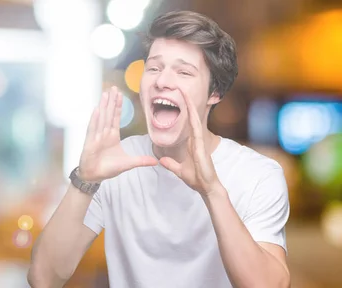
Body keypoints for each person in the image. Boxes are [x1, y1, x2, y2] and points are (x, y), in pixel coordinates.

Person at [28, 10, 291, 288]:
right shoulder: (116, 165)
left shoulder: (258, 175)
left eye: (183, 71)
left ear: (214, 93)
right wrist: (85, 179)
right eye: (153, 68)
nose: (162, 81)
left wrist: (212, 191)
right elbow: (43, 278)